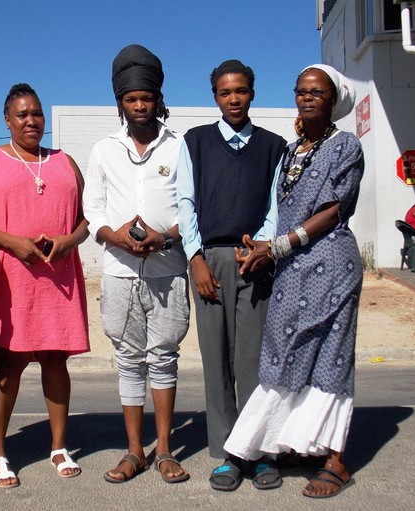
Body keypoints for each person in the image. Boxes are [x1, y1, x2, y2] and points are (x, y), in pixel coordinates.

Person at [224, 64, 365, 499]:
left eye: (316, 91)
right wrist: (263, 245)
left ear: (334, 98)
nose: (307, 97)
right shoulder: (291, 150)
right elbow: (285, 212)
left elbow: (332, 211)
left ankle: (335, 460)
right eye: (301, 90)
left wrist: (279, 246)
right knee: (285, 354)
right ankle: (294, 443)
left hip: (331, 266)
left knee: (331, 357)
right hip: (291, 272)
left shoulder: (346, 147)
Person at [176, 59, 286, 491]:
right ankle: (226, 455)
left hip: (255, 259)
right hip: (211, 261)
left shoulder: (273, 146)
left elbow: (276, 207)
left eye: (241, 90)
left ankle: (258, 452)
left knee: (253, 362)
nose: (234, 98)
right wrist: (195, 258)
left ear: (252, 93)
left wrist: (263, 246)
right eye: (225, 92)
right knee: (217, 361)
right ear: (215, 97)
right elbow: (184, 202)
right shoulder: (196, 142)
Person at [83, 44, 190, 485]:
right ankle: (134, 452)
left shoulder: (181, 146)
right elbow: (94, 211)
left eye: (147, 97)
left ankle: (164, 450)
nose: (140, 105)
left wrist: (166, 237)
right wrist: (117, 237)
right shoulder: (104, 150)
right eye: (131, 99)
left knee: (164, 357)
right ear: (120, 103)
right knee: (128, 359)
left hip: (169, 269)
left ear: (158, 99)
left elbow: (192, 209)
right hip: (120, 271)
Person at [0, 83, 90, 488]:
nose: (31, 121)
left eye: (37, 114)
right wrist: (11, 241)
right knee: (9, 365)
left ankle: (59, 446)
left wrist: (69, 241)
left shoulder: (64, 161)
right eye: (22, 114)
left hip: (57, 276)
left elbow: (85, 220)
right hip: (12, 277)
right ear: (6, 120)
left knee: (56, 361)